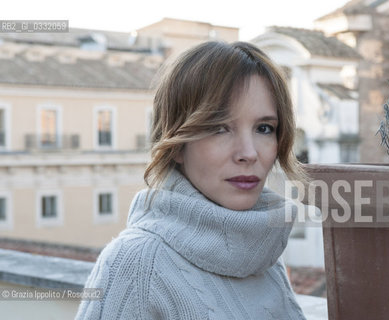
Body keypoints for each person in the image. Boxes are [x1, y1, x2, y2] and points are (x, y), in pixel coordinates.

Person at [75, 41, 308, 320]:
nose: (248, 153)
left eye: (264, 128)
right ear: (176, 144)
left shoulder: (261, 247)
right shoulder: (134, 263)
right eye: (220, 128)